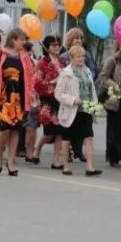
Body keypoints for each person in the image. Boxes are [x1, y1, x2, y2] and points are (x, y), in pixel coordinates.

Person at [0, 28, 35, 176]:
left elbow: (30, 78)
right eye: (21, 39)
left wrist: (31, 96)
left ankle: (11, 161)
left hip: (18, 99)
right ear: (13, 40)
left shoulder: (24, 57)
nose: (23, 42)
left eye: (24, 40)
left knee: (16, 130)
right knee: (1, 128)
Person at [54, 44, 102, 176]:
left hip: (86, 110)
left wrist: (94, 105)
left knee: (89, 136)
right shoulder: (66, 73)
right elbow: (58, 93)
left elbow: (92, 89)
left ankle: (90, 167)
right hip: (71, 110)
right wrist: (73, 100)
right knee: (67, 138)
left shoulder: (87, 71)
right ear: (71, 58)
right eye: (79, 56)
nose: (82, 59)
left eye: (83, 56)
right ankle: (66, 166)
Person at [61, 28, 95, 162]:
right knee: (70, 125)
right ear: (70, 40)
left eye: (81, 38)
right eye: (76, 38)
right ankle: (68, 154)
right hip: (71, 97)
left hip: (85, 96)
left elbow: (93, 70)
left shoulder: (87, 55)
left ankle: (78, 150)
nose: (79, 41)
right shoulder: (64, 56)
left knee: (85, 127)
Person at [31, 34, 64, 167]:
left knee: (60, 131)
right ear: (47, 47)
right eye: (53, 45)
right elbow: (37, 84)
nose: (57, 47)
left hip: (61, 100)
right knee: (49, 132)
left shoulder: (63, 62)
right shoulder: (42, 63)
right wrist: (53, 82)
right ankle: (37, 149)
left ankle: (55, 161)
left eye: (58, 44)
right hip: (47, 100)